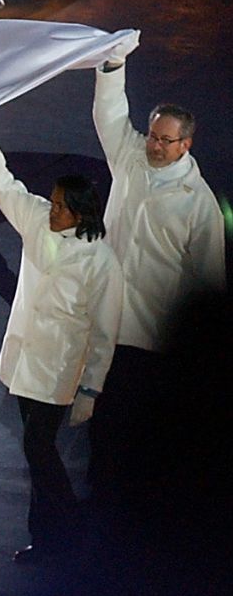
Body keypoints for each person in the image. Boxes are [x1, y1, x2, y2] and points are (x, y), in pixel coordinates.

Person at [0, 106, 123, 561]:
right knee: (36, 453)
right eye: (51, 203)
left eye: (58, 206)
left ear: (78, 213)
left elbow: (104, 330)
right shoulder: (38, 222)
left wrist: (91, 389)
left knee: (38, 447)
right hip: (24, 360)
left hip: (59, 369)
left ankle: (70, 526)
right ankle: (48, 537)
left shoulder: (101, 262)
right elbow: (4, 185)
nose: (49, 210)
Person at [88, 34, 225, 510]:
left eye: (167, 141)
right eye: (153, 136)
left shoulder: (198, 203)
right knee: (97, 426)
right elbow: (108, 119)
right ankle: (100, 506)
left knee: (130, 425)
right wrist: (113, 68)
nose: (156, 146)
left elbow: (209, 279)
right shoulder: (130, 160)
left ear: (186, 144)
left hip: (149, 337)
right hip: (104, 320)